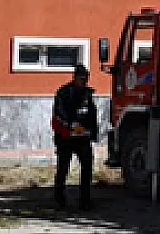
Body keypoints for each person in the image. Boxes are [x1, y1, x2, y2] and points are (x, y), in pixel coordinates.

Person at [52, 63, 100, 210]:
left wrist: (92, 133)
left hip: (82, 138)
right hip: (65, 137)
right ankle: (59, 200)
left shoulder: (88, 94)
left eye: (86, 79)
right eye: (81, 79)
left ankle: (85, 201)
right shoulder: (63, 93)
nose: (83, 82)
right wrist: (71, 124)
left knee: (87, 168)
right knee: (63, 168)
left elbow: (92, 115)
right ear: (74, 78)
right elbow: (59, 112)